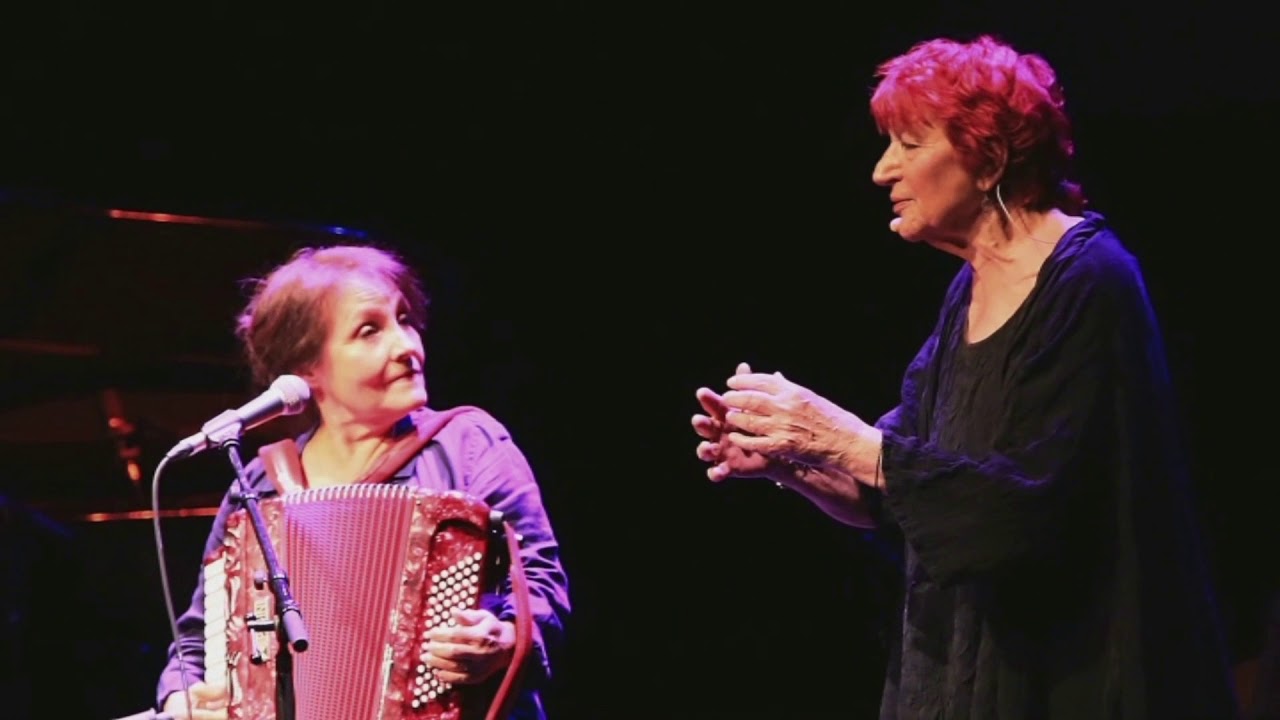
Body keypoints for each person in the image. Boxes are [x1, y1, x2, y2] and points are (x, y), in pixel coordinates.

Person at [692, 35, 1239, 719]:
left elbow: (1019, 514)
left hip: (1070, 683)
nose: (881, 171)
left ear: (989, 158)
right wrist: (790, 460)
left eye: (909, 145)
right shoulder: (969, 293)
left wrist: (833, 435)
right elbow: (907, 497)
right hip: (962, 671)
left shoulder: (1088, 281)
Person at [154, 244, 569, 719]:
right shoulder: (257, 487)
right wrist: (182, 699)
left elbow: (541, 584)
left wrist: (503, 637)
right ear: (308, 368)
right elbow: (195, 641)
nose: (406, 346)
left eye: (405, 320)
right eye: (369, 330)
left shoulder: (468, 444)